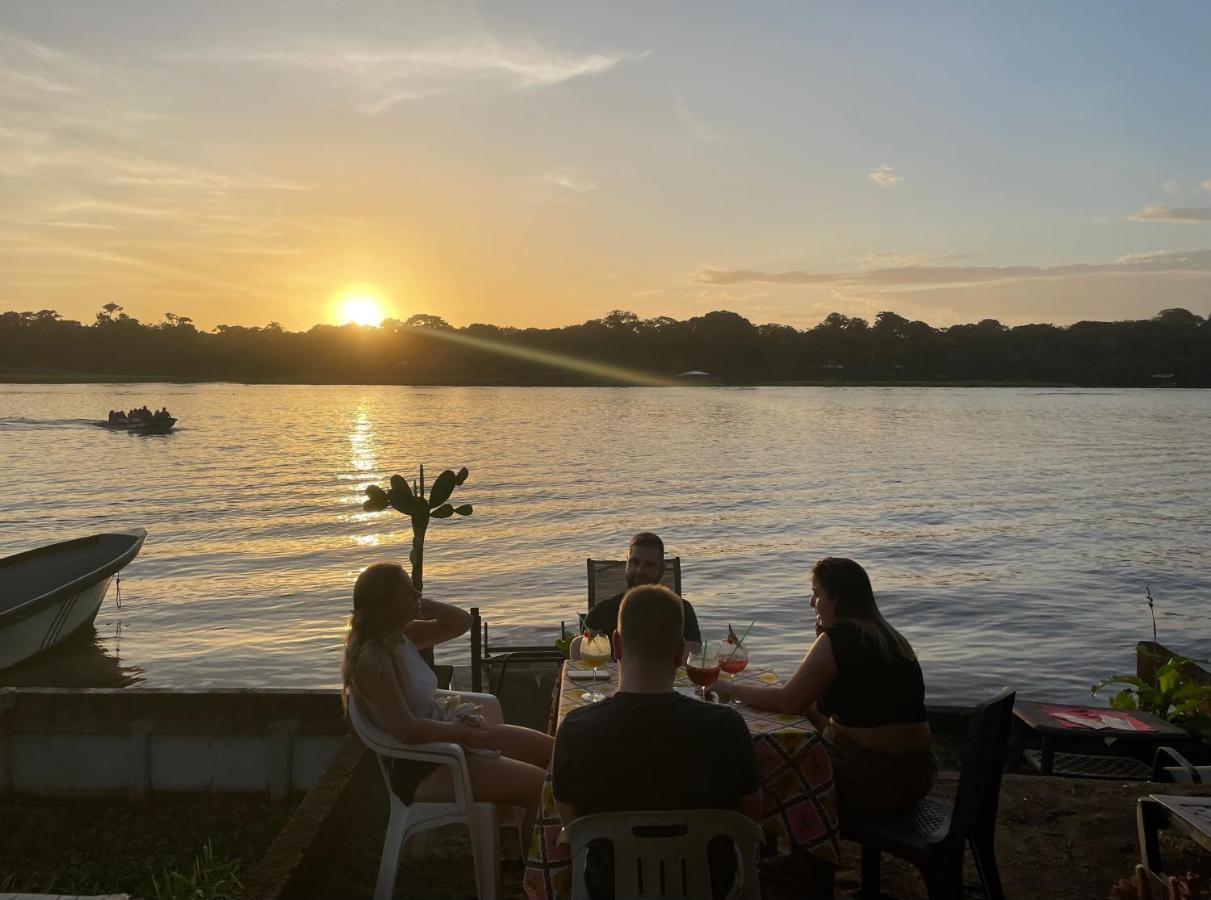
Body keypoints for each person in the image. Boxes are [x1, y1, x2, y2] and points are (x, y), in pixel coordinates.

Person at [553, 584, 761, 900]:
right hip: (712, 887)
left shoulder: (575, 730)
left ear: (617, 646)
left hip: (609, 888)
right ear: (681, 654)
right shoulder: (728, 726)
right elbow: (750, 817)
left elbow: (572, 823)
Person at [341, 562, 554, 838]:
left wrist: (426, 604)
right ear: (388, 604)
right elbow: (406, 730)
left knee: (555, 754)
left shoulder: (403, 636)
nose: (416, 591)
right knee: (542, 789)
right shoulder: (374, 659)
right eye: (408, 591)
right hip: (424, 766)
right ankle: (541, 877)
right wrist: (462, 733)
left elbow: (462, 622)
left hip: (447, 740)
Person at [715, 557, 935, 821]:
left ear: (838, 598)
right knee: (807, 715)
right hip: (918, 775)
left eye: (816, 594)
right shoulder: (889, 637)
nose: (811, 603)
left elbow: (788, 702)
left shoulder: (839, 638)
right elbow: (832, 709)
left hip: (873, 779)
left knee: (773, 765)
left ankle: (806, 856)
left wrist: (727, 688)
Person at [571, 532, 701, 661]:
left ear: (662, 569)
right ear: (626, 565)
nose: (639, 571)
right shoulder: (601, 614)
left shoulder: (681, 611)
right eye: (634, 562)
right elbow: (582, 660)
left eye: (649, 565)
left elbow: (690, 661)